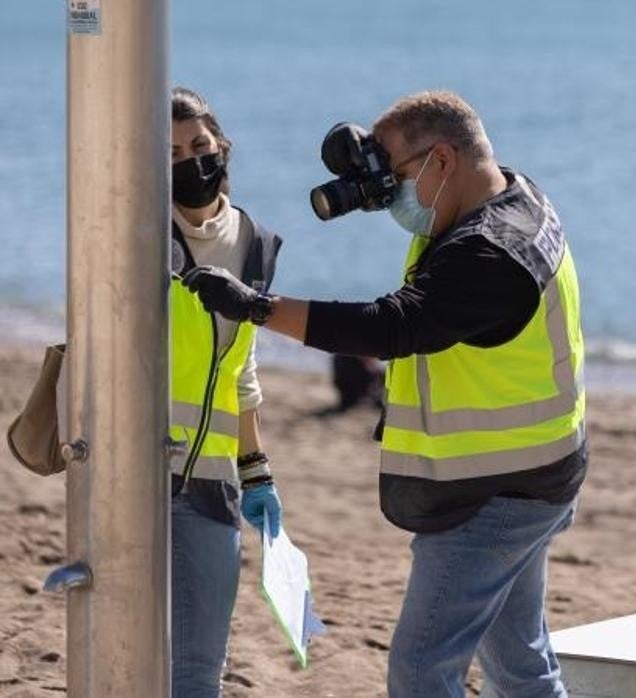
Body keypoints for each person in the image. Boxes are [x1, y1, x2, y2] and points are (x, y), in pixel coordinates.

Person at [181, 90, 586, 698]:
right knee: (521, 664)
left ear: (442, 161)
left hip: (494, 493)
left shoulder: (491, 252)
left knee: (423, 671)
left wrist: (258, 308)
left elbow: (392, 327)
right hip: (539, 472)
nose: (390, 195)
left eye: (396, 177)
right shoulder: (509, 195)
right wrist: (380, 170)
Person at [168, 86, 285, 697]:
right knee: (126, 651)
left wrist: (257, 471)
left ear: (223, 148)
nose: (190, 161)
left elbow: (241, 367)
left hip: (215, 483)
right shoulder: (134, 234)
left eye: (199, 146)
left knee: (198, 666)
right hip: (135, 476)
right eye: (171, 153)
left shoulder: (256, 244)